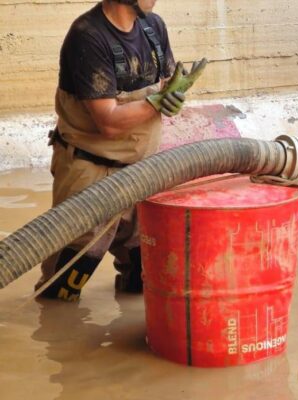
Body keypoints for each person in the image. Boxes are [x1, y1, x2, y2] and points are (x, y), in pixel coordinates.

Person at [38, 0, 202, 301]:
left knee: (145, 279)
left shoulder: (154, 27)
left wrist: (174, 94)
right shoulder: (87, 36)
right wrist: (156, 102)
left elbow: (165, 85)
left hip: (142, 171)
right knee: (63, 284)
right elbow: (109, 123)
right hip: (91, 173)